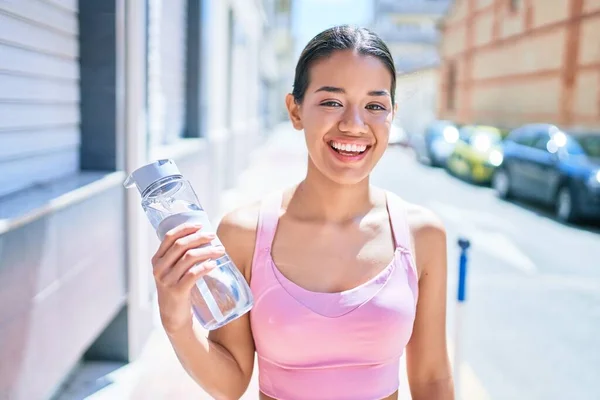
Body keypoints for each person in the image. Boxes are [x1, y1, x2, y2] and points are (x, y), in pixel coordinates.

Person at [151, 25, 454, 400]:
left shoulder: (421, 234)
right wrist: (177, 321)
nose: (353, 125)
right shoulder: (244, 234)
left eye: (375, 106)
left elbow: (432, 379)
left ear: (392, 115)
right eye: (331, 102)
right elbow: (230, 384)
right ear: (295, 110)